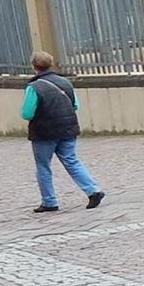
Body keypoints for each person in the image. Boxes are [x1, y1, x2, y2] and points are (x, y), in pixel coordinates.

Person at [21, 51, 105, 213]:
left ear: (34, 66)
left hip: (44, 132)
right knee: (72, 161)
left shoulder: (34, 87)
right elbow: (75, 105)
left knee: (43, 166)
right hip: (68, 128)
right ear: (51, 64)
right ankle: (92, 190)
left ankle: (49, 201)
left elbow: (27, 113)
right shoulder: (65, 82)